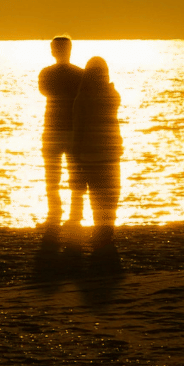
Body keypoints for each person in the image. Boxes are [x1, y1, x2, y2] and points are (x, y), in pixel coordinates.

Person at [72, 56, 122, 266]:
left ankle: (101, 237)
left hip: (91, 155)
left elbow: (78, 129)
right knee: (109, 197)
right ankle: (105, 236)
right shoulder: (112, 94)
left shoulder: (83, 98)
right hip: (110, 153)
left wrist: (76, 155)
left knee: (97, 199)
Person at [38, 36, 86, 228]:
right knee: (74, 173)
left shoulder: (47, 73)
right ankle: (74, 215)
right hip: (71, 129)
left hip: (54, 128)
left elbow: (44, 91)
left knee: (53, 174)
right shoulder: (81, 74)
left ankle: (56, 214)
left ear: (53, 51)